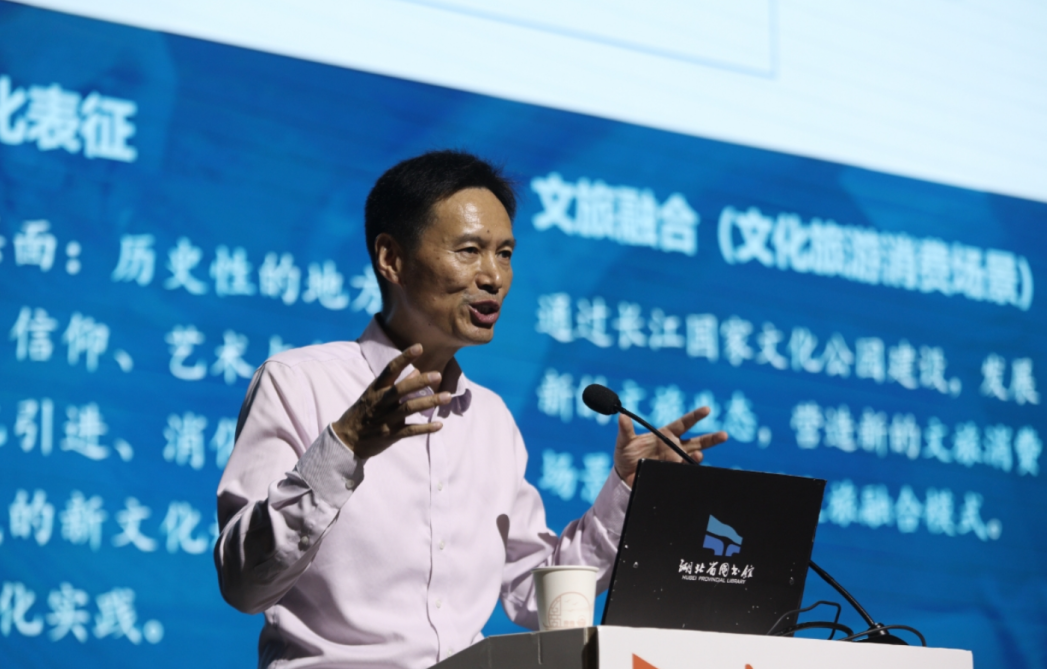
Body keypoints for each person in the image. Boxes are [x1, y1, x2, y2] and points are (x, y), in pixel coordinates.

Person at [214, 150, 727, 669]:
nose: (494, 277)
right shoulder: (299, 383)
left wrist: (627, 490)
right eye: (469, 251)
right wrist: (344, 449)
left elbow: (531, 594)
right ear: (391, 259)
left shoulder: (492, 420)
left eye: (504, 253)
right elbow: (243, 583)